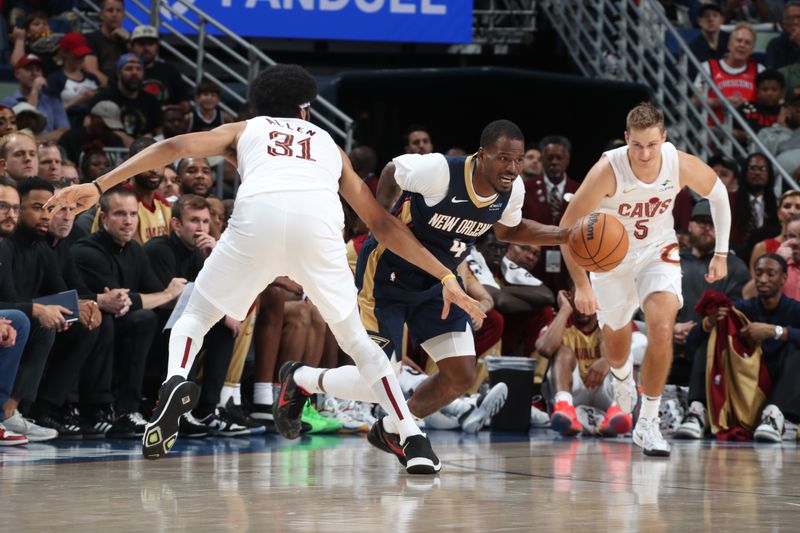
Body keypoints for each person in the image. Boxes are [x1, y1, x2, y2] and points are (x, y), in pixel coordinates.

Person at [45, 63, 484, 474]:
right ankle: (410, 434)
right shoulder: (329, 143)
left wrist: (98, 183)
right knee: (357, 341)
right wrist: (446, 275)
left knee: (196, 313)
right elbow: (381, 223)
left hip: (258, 218)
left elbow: (175, 146)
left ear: (256, 108)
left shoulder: (246, 129)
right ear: (306, 109)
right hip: (319, 228)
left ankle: (175, 381)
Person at [289, 119, 572, 468]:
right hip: (388, 275)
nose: (513, 168)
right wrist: (382, 216)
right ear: (482, 155)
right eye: (504, 159)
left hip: (441, 284)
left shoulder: (511, 191)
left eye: (517, 160)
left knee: (461, 376)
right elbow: (393, 170)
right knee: (376, 378)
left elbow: (509, 229)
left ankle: (393, 428)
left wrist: (565, 235)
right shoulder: (440, 170)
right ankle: (302, 378)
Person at [558, 102, 731, 456]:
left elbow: (718, 194)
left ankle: (648, 422)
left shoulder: (677, 162)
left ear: (663, 138)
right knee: (617, 340)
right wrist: (582, 284)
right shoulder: (608, 170)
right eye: (637, 145)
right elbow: (565, 229)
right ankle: (622, 379)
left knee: (662, 327)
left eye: (652, 144)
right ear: (626, 139)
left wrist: (721, 253)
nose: (645, 153)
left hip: (658, 251)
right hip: (611, 259)